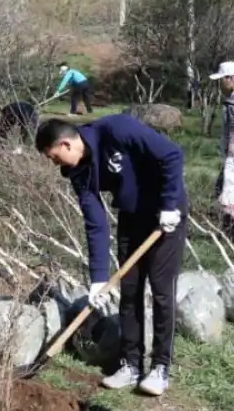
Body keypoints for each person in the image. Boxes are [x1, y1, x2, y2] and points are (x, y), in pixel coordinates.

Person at [35, 115, 188, 396]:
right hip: (131, 216)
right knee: (129, 290)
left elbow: (171, 155)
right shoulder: (78, 172)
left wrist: (168, 205)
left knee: (161, 290)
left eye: (55, 157)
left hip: (166, 215)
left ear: (66, 144)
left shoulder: (118, 129)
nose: (56, 165)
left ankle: (160, 368)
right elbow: (96, 223)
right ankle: (131, 364)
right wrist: (98, 279)